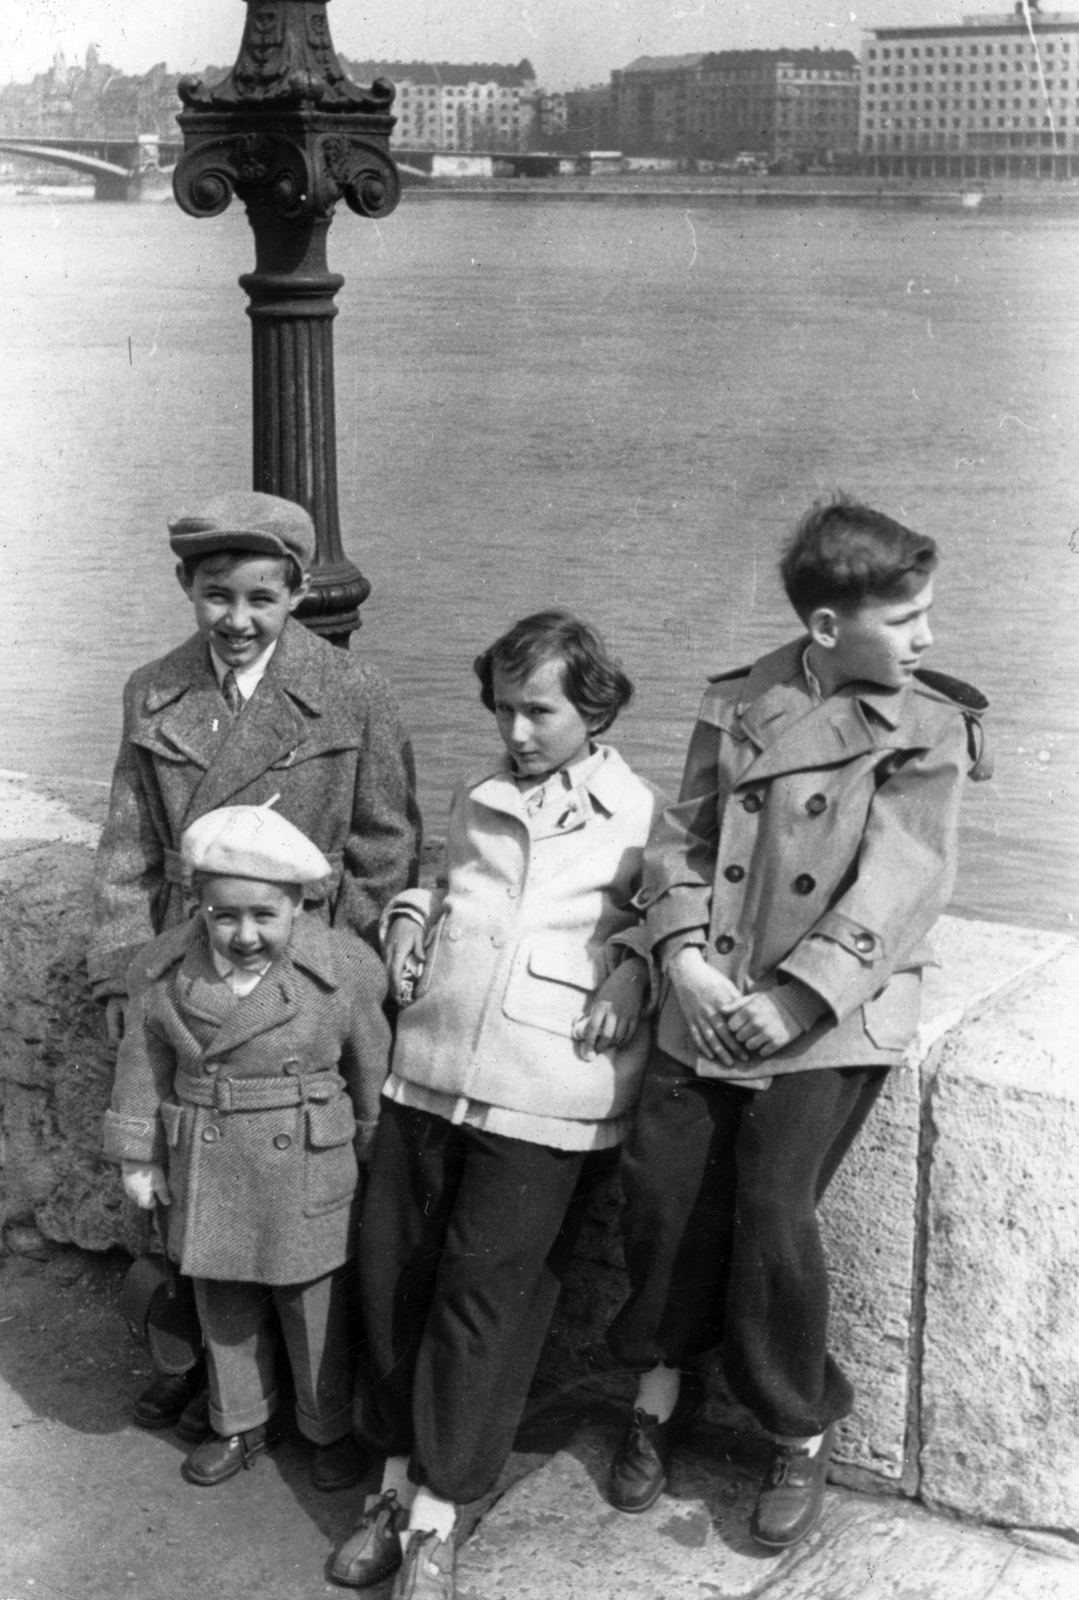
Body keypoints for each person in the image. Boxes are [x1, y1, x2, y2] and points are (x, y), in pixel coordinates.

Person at [605, 496, 990, 1550]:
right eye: (904, 619)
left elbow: (900, 883)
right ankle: (658, 1380)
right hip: (710, 994)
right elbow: (675, 839)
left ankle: (796, 1422)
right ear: (826, 629)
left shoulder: (927, 725)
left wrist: (794, 998)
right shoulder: (739, 700)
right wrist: (681, 958)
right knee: (660, 1183)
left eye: (925, 613)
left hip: (831, 1013)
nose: (926, 638)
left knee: (773, 1204)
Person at [329, 611, 663, 1599]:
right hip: (429, 1066)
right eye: (503, 709)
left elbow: (676, 913)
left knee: (486, 1299)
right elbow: (445, 888)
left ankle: (437, 1511)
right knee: (391, 1274)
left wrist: (635, 971)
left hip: (543, 1081)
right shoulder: (477, 794)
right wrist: (401, 920)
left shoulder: (636, 812)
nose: (515, 731)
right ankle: (388, 1488)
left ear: (591, 707)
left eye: (538, 711)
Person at [89, 490, 420, 1439]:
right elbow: (126, 848)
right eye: (217, 595)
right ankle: (210, 1371)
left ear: (298, 595)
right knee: (183, 1187)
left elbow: (385, 843)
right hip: (189, 970)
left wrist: (336, 969)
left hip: (298, 970)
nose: (238, 620)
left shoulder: (353, 690)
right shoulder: (154, 691)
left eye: (262, 600)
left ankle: (312, 1401)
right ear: (186, 588)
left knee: (307, 1218)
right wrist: (121, 969)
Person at [103, 802, 392, 1491]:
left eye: (265, 915)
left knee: (312, 1306)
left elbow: (371, 1067)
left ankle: (326, 1427)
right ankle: (242, 1423)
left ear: (298, 905)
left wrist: (379, 1154)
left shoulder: (340, 971)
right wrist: (140, 1155)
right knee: (223, 1302)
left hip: (307, 1160)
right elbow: (142, 1066)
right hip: (210, 1156)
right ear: (197, 905)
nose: (244, 933)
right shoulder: (166, 972)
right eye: (223, 914)